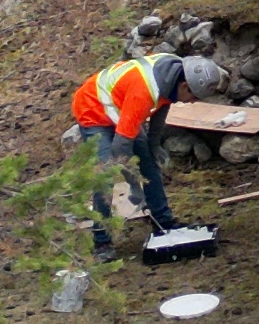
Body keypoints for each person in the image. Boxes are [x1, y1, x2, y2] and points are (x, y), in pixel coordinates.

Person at [74, 43, 191, 257]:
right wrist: (133, 183)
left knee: (148, 163)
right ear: (185, 86)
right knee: (104, 175)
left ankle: (163, 222)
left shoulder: (170, 75)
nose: (192, 102)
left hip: (122, 107)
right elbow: (121, 148)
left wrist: (154, 145)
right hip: (93, 109)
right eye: (193, 97)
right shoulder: (144, 91)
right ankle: (102, 241)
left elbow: (162, 107)